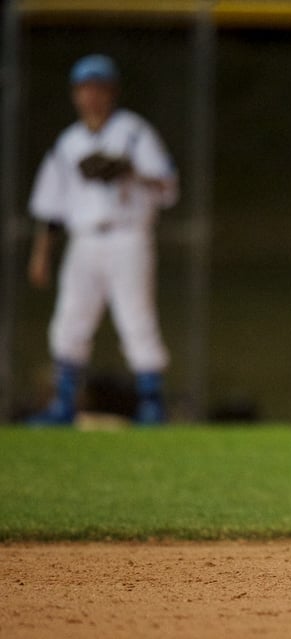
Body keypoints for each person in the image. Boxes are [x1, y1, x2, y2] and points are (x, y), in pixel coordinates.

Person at [26, 54, 179, 426]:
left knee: (136, 319)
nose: (91, 97)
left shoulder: (133, 132)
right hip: (84, 242)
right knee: (69, 321)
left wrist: (130, 170)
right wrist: (41, 254)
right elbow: (51, 207)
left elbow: (168, 185)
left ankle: (151, 406)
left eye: (98, 88)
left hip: (127, 236)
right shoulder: (69, 142)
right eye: (84, 89)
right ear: (76, 95)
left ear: (112, 92)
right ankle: (63, 405)